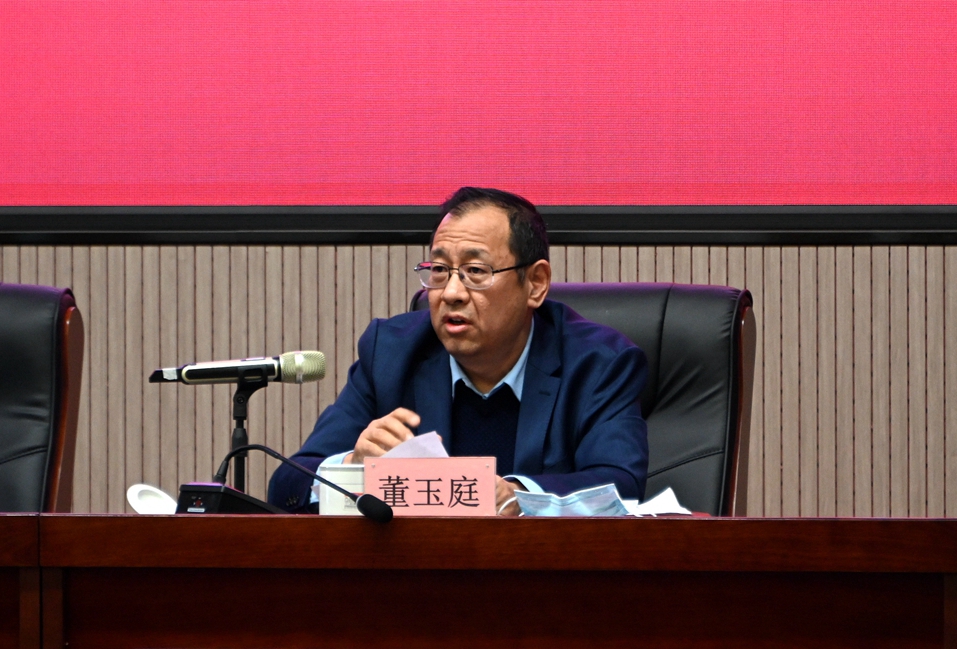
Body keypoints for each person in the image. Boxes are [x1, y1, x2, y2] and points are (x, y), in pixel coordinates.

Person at [268, 187, 648, 516]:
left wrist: (519, 496)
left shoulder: (598, 363)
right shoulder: (390, 353)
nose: (451, 292)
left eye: (475, 271)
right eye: (439, 269)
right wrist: (352, 466)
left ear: (535, 283)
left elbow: (621, 486)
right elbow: (288, 485)